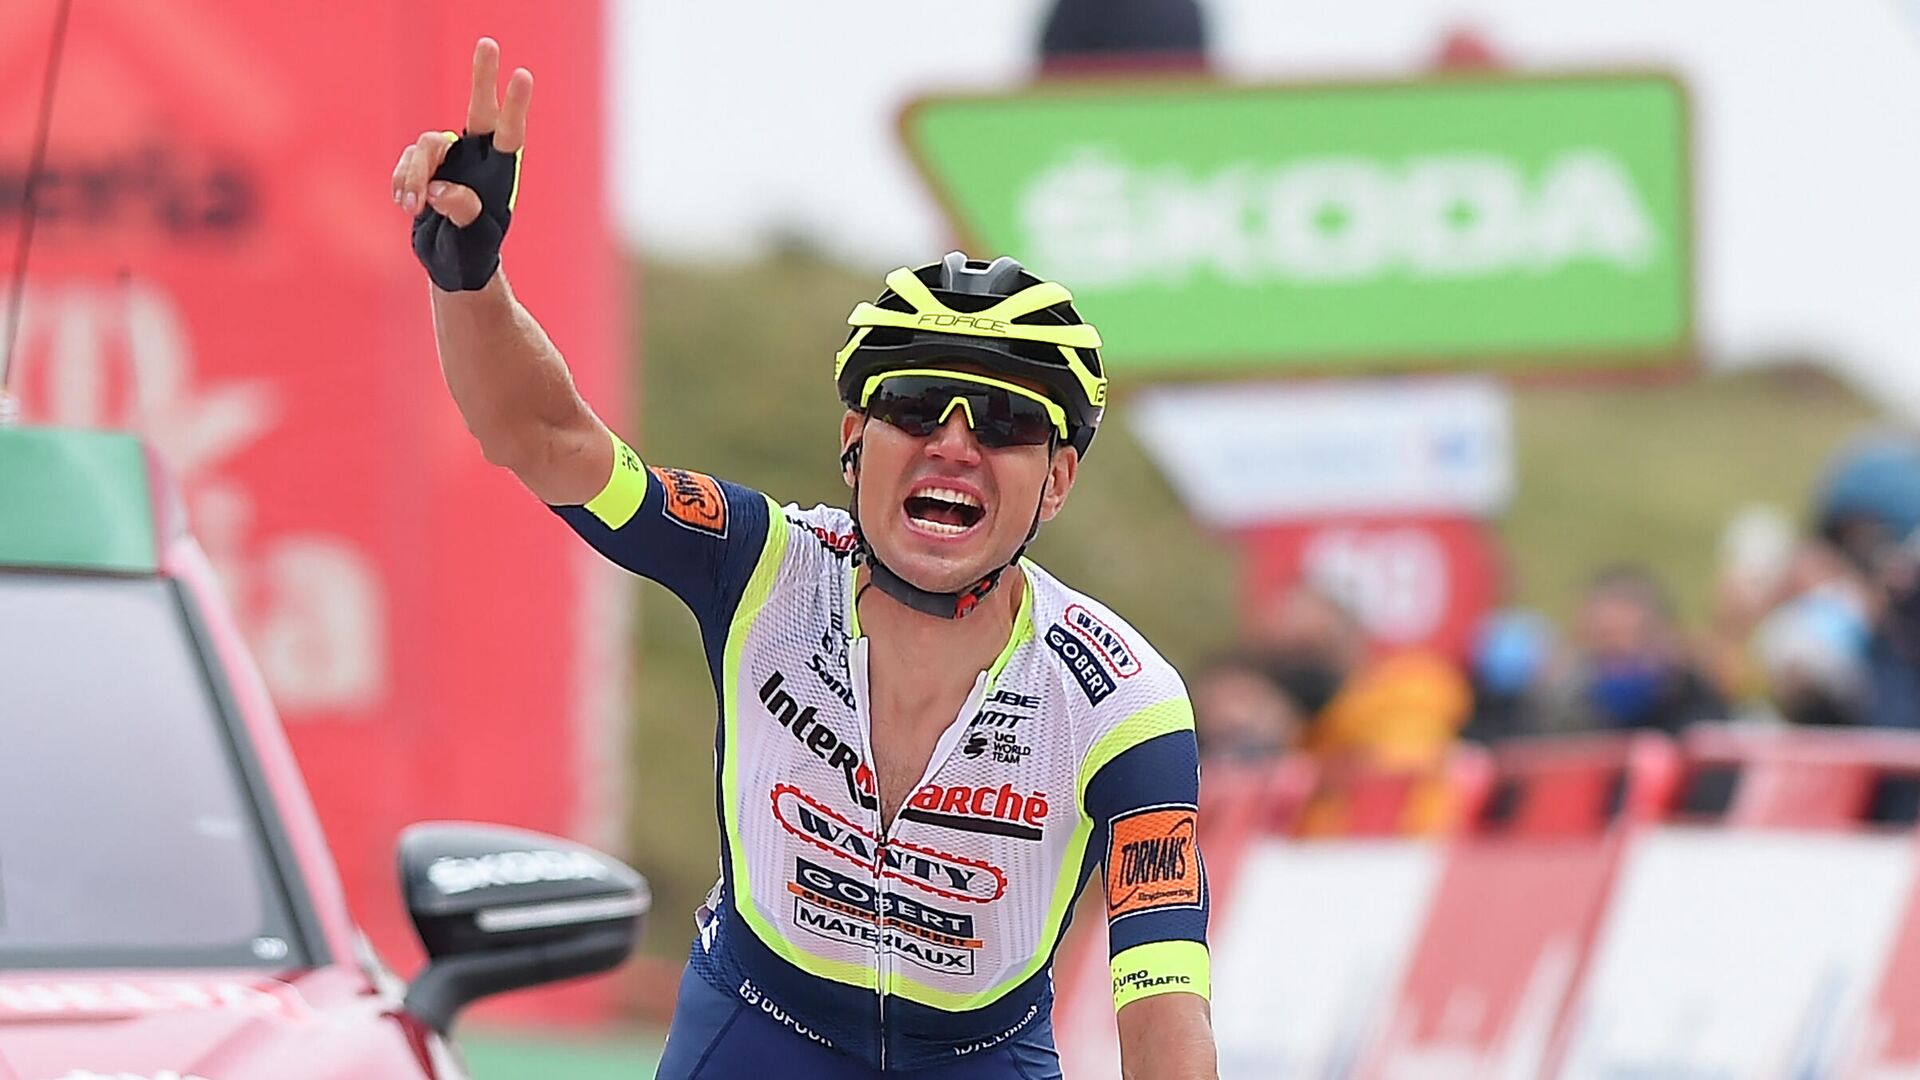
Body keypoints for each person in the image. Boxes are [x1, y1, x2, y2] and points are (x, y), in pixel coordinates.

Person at [391, 39, 1216, 1079]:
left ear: (1056, 480)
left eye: (1003, 422)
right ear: (852, 441)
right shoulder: (757, 564)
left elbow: (1165, 1005)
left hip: (977, 1058)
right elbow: (543, 439)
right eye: (915, 407)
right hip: (756, 1032)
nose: (953, 443)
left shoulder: (1121, 699)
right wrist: (470, 277)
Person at [1571, 564, 1729, 734]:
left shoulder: (1704, 716)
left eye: (1633, 640)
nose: (1619, 660)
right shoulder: (1569, 716)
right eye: (1604, 639)